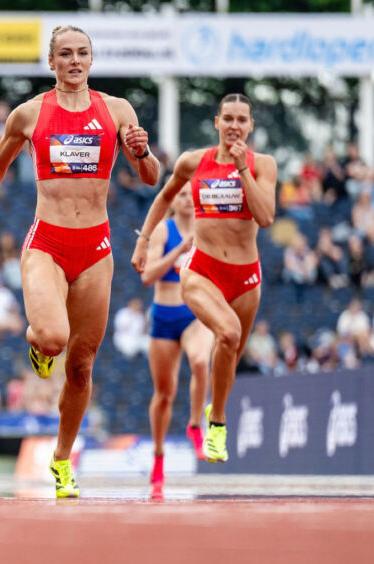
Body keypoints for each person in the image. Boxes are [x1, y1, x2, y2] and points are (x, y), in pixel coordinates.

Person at [0, 25, 159, 498]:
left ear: (92, 60)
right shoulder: (29, 115)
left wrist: (142, 151)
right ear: (51, 63)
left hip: (96, 249)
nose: (74, 60)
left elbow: (150, 176)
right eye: (65, 54)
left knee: (82, 366)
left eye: (82, 53)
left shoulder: (116, 111)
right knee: (53, 339)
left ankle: (62, 460)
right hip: (46, 241)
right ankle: (37, 344)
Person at [131, 93, 276, 464]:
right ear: (217, 123)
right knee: (227, 333)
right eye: (227, 118)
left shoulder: (263, 165)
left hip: (246, 277)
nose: (234, 126)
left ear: (250, 126)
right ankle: (218, 424)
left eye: (241, 120)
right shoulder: (193, 162)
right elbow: (163, 197)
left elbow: (266, 217)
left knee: (230, 353)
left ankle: (216, 411)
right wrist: (144, 241)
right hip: (202, 271)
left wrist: (243, 170)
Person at [138, 184, 213, 486]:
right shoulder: (162, 230)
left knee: (199, 362)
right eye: (179, 194)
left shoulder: (206, 229)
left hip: (194, 312)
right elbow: (147, 276)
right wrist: (180, 249)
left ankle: (196, 424)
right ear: (172, 201)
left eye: (190, 193)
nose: (186, 198)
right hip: (164, 315)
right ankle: (158, 456)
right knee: (164, 396)